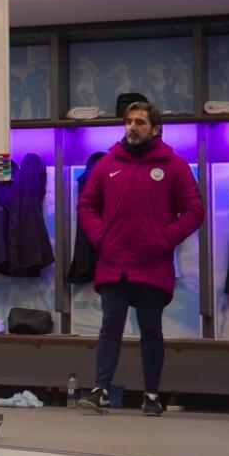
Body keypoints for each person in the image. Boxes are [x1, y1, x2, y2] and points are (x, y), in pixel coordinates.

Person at [77, 101, 203, 416]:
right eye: (129, 121)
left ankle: (151, 395)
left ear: (155, 129)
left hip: (152, 263)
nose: (132, 127)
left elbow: (194, 210)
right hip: (114, 262)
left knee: (150, 330)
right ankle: (100, 389)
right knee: (110, 325)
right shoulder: (107, 164)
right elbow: (86, 205)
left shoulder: (173, 165)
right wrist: (100, 237)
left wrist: (164, 239)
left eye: (140, 122)